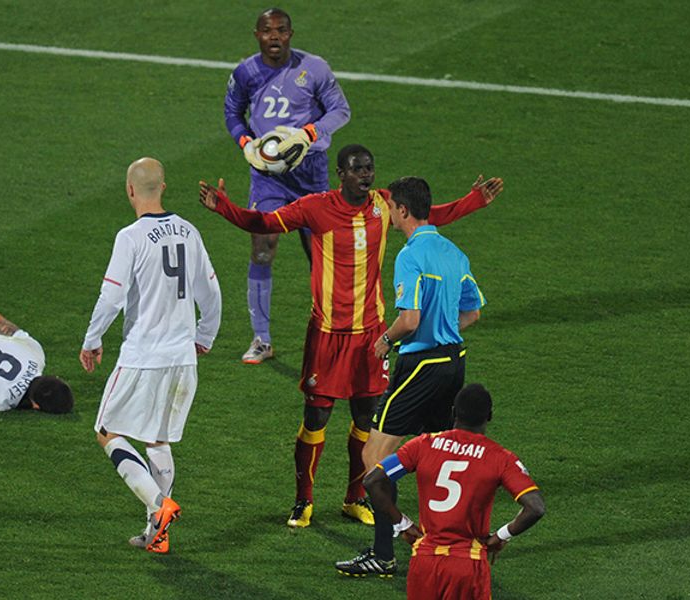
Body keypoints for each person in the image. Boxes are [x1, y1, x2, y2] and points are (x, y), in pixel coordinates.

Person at [199, 145, 501, 529]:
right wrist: (224, 207)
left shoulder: (383, 205)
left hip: (371, 335)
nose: (366, 175)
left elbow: (428, 216)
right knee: (316, 417)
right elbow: (264, 223)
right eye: (357, 169)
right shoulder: (315, 207)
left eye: (370, 168)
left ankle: (355, 497)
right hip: (327, 334)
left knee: (365, 418)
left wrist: (474, 201)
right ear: (340, 173)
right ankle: (302, 501)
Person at [336, 175, 496, 575]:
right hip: (453, 362)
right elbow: (472, 313)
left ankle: (385, 551)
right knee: (437, 455)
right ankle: (448, 543)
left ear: (403, 211)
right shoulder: (454, 253)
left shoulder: (410, 256)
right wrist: (443, 330)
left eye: (391, 207)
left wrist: (385, 341)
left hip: (419, 366)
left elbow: (409, 320)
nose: (389, 212)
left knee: (375, 456)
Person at [81, 157, 222, 554]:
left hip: (144, 355)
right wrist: (205, 335)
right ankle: (157, 534)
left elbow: (110, 297)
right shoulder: (189, 232)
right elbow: (210, 293)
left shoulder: (131, 237)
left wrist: (92, 339)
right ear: (163, 187)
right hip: (182, 356)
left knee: (107, 430)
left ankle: (159, 506)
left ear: (130, 191)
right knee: (158, 440)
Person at [224, 7, 351, 364]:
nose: (275, 36)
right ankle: (261, 339)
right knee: (262, 247)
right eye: (268, 31)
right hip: (267, 176)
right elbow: (232, 112)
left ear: (291, 34)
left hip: (310, 173)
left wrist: (309, 133)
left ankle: (335, 333)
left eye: (281, 30)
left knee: (320, 253)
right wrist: (246, 143)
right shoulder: (246, 72)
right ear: (257, 34)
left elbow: (340, 111)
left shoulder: (314, 69)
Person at [341, 384, 546, 599]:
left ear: (453, 412)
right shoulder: (501, 458)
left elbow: (373, 481)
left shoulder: (422, 445)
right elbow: (535, 507)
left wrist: (402, 525)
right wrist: (502, 536)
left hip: (425, 561)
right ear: (490, 416)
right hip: (468, 562)